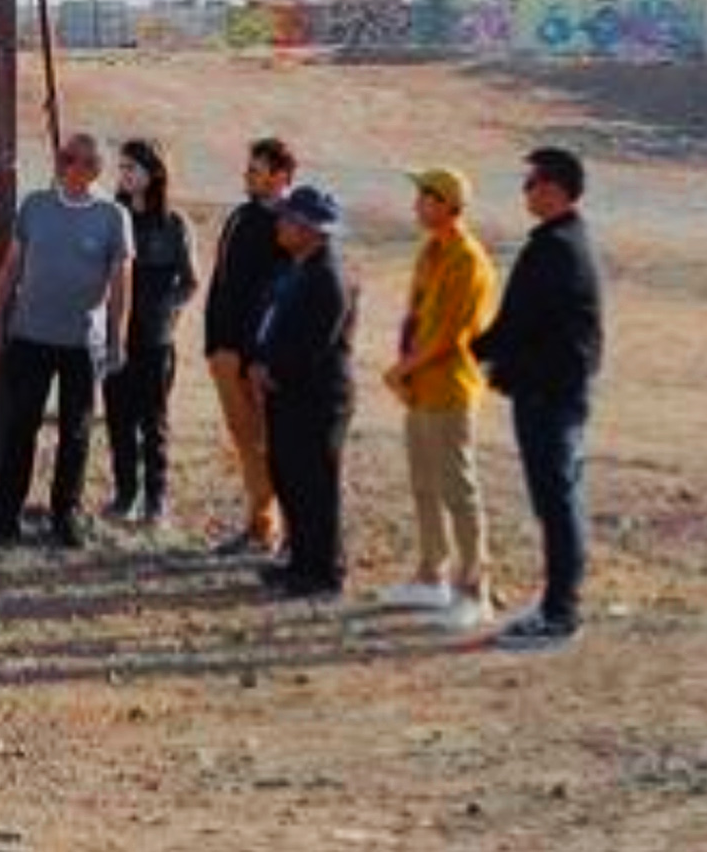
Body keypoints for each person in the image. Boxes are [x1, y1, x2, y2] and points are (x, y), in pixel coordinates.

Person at [473, 144, 607, 651]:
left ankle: (560, 612)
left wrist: (468, 351)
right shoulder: (561, 241)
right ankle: (556, 600)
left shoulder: (556, 248)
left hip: (550, 392)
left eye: (532, 184)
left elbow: (518, 322)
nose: (525, 192)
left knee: (556, 498)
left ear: (554, 189)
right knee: (555, 496)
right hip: (548, 387)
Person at [0, 131, 134, 549]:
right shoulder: (35, 206)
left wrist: (117, 336)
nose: (64, 165)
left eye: (74, 159)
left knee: (75, 431)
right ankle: (4, 515)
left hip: (81, 342)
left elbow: (120, 283)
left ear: (94, 169)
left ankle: (67, 513)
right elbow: (11, 267)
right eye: (62, 158)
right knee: (19, 425)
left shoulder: (113, 217)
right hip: (29, 335)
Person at [380, 165, 498, 626]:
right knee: (425, 483)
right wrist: (406, 373)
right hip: (421, 388)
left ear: (447, 204)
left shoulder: (468, 259)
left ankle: (475, 587)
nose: (416, 206)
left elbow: (449, 335)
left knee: (458, 488)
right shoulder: (431, 251)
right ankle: (432, 575)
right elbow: (417, 319)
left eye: (424, 197)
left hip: (449, 386)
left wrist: (401, 369)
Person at [250, 181, 355, 597]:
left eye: (289, 219)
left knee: (314, 485)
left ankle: (323, 571)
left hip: (314, 398)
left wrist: (272, 371)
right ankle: (301, 562)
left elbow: (313, 343)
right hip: (287, 393)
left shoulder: (327, 277)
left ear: (310, 228)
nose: (280, 225)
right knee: (289, 476)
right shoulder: (298, 268)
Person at [201, 136, 298, 556]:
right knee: (245, 442)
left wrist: (259, 353)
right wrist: (214, 343)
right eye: (248, 169)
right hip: (224, 349)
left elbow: (281, 298)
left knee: (279, 444)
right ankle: (260, 523)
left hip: (259, 357)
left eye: (257, 171)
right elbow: (222, 281)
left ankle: (297, 530)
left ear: (281, 176)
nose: (247, 176)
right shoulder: (241, 216)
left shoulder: (292, 227)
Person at [104, 137, 196, 526]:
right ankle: (125, 494)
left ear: (153, 173)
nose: (124, 175)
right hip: (114, 335)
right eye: (121, 167)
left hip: (156, 339)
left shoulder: (174, 224)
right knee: (117, 418)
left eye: (132, 168)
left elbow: (190, 281)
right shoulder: (110, 216)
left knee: (153, 420)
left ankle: (156, 499)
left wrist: (167, 314)